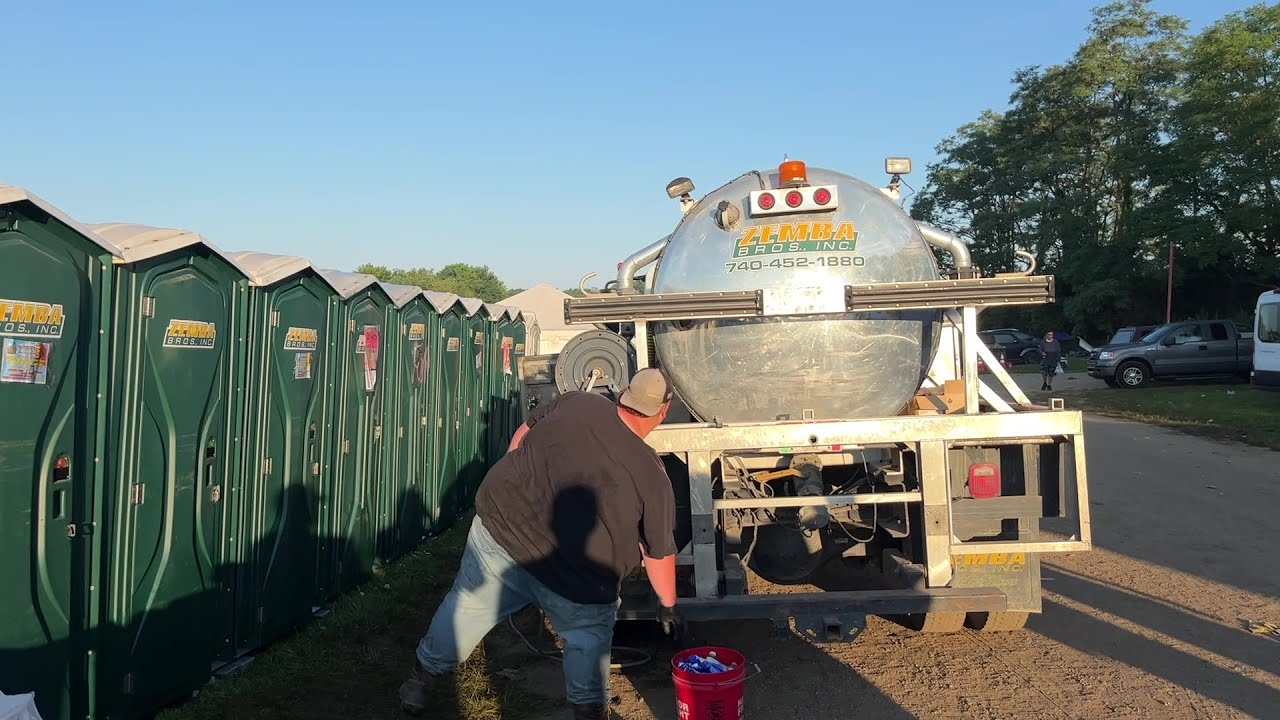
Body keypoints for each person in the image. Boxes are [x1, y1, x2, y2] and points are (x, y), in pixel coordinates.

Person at [398, 368, 680, 720]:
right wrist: (667, 604)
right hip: (578, 578)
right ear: (663, 411)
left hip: (501, 533)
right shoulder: (652, 476)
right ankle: (588, 712)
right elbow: (658, 553)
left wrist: (519, 481)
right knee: (586, 641)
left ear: (624, 395)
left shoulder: (579, 402)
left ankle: (419, 682)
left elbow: (520, 439)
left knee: (466, 607)